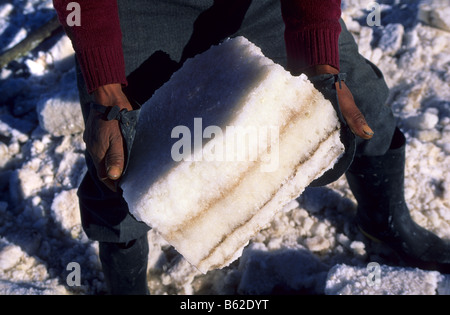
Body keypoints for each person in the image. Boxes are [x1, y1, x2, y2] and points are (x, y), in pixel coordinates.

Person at [53, 0, 450, 295]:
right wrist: (104, 79)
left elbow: (324, 55)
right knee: (122, 161)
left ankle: (386, 227)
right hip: (135, 11)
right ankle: (127, 287)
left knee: (359, 98)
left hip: (258, 4)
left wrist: (318, 51)